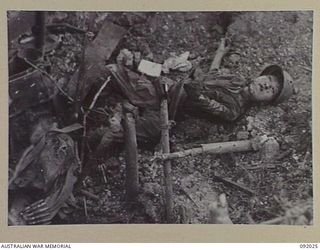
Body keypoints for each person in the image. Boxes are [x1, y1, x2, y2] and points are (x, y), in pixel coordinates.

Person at [83, 38, 296, 172]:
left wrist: (187, 75)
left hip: (169, 111)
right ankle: (76, 105)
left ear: (267, 101)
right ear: (261, 75)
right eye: (269, 79)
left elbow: (199, 99)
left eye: (272, 90)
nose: (267, 85)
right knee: (111, 71)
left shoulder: (233, 111)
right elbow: (202, 74)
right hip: (163, 87)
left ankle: (82, 144)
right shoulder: (235, 79)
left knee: (117, 132)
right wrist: (186, 65)